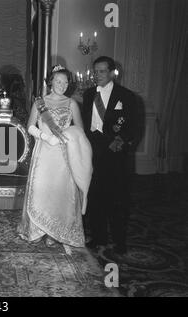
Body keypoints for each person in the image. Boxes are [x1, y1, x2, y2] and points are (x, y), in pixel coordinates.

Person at [18, 65, 93, 248]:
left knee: (61, 191)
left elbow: (80, 131)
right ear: (51, 82)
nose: (62, 85)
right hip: (44, 152)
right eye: (58, 81)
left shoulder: (72, 103)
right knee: (41, 188)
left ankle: (56, 232)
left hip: (64, 154)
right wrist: (46, 137)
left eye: (66, 82)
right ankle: (38, 230)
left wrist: (65, 137)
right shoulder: (39, 102)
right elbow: (29, 126)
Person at [81, 56, 137, 254]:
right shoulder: (88, 95)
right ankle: (98, 238)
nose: (97, 75)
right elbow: (85, 124)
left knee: (117, 199)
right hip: (94, 151)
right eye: (95, 71)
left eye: (102, 71)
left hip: (115, 154)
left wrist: (121, 140)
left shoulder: (127, 96)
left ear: (113, 72)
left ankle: (120, 241)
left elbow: (135, 125)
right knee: (95, 197)